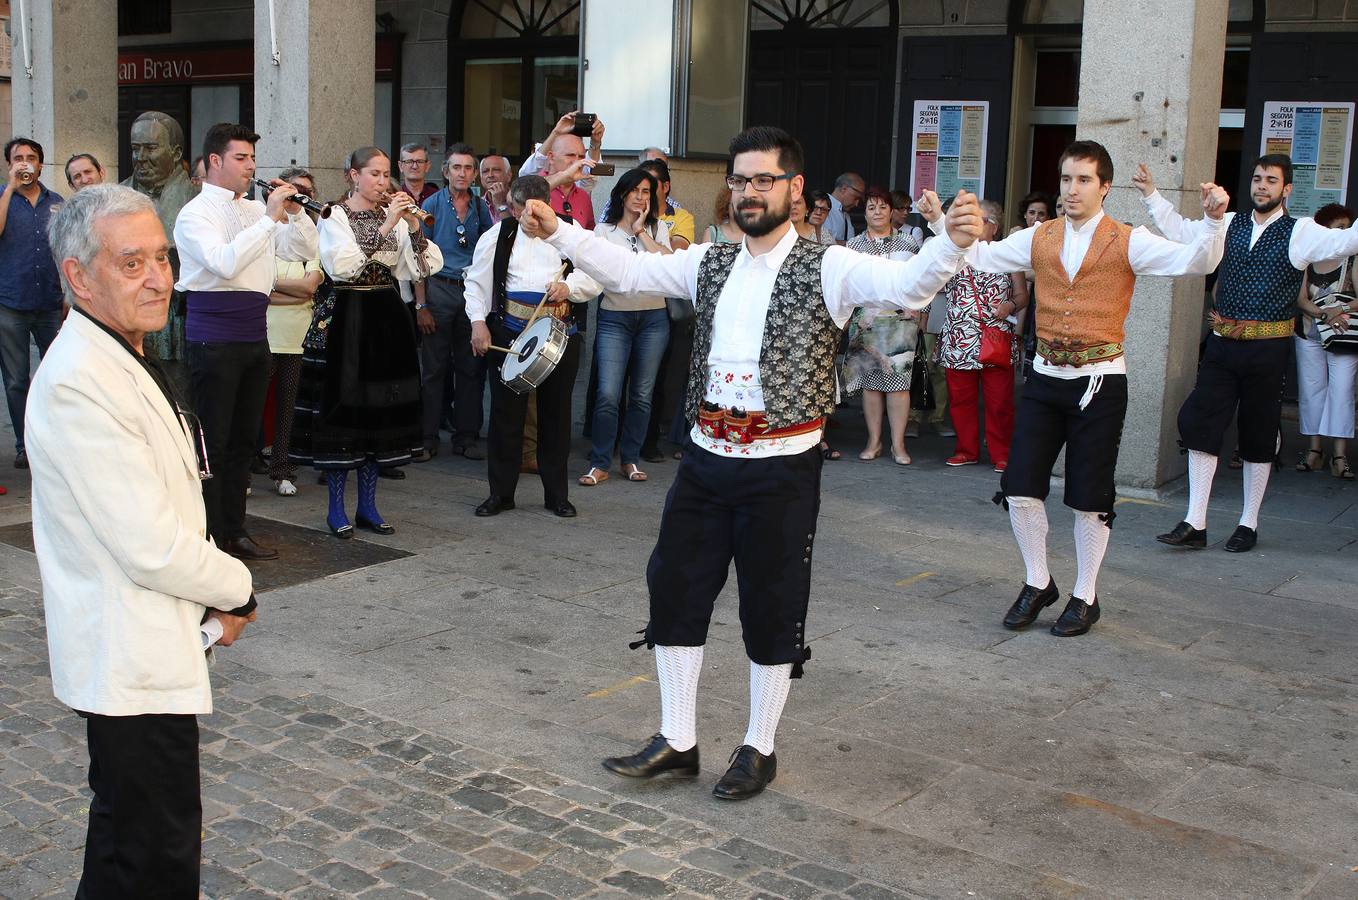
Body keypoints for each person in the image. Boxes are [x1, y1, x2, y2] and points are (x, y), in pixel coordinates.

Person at [520, 125, 982, 800]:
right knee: (674, 589)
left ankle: (759, 748)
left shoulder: (830, 264)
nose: (750, 192)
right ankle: (677, 739)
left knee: (772, 604)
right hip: (706, 457)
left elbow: (909, 286)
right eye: (740, 180)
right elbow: (628, 270)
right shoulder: (708, 260)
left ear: (794, 189)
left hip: (781, 468)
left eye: (765, 180)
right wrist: (558, 229)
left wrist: (951, 243)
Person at [28, 184, 258, 895]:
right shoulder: (78, 381)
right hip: (128, 661)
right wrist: (238, 588)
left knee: (127, 843)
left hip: (148, 647)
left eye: (161, 257)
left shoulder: (120, 351)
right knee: (153, 857)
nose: (159, 276)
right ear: (79, 276)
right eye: (132, 264)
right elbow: (150, 544)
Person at [923, 140, 1228, 637]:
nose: (1072, 189)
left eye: (1083, 180)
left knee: (1089, 496)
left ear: (1105, 187)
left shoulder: (1129, 239)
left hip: (1100, 380)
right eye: (1066, 179)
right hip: (1045, 377)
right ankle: (1037, 581)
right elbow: (980, 256)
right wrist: (942, 221)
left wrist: (1213, 221)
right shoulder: (1038, 235)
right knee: (1020, 485)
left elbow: (1197, 262)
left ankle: (1085, 595)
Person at [1138, 158, 1358, 552]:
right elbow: (1184, 232)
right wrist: (1152, 194)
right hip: (1224, 343)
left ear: (1286, 189)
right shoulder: (1229, 221)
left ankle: (1248, 523)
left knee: (1258, 432)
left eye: (1271, 181)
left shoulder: (1302, 231)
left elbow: (1347, 241)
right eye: (1257, 179)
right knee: (1200, 422)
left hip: (1268, 348)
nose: (1262, 186)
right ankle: (1195, 521)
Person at [174, 122, 319, 560]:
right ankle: (208, 534)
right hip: (214, 337)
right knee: (214, 441)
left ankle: (234, 530)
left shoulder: (257, 210)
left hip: (257, 336)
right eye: (241, 158)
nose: (250, 167)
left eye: (253, 159)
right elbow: (224, 263)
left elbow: (300, 250)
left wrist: (294, 213)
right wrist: (271, 217)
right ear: (215, 162)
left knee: (243, 441)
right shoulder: (195, 213)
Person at [289, 147, 440, 537]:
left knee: (382, 412)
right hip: (347, 315)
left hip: (386, 315)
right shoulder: (334, 215)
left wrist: (415, 229)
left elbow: (418, 268)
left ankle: (369, 506)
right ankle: (336, 509)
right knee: (345, 412)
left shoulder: (396, 217)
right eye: (374, 173)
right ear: (352, 176)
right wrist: (390, 224)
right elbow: (342, 266)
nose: (382, 181)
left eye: (386, 174)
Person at [466, 175, 601, 518]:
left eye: (532, 212)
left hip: (559, 332)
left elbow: (597, 274)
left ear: (546, 205)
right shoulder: (498, 234)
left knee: (556, 417)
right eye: (518, 210)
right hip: (510, 332)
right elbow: (477, 283)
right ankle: (501, 494)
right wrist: (478, 323)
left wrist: (569, 289)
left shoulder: (571, 233)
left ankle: (556, 495)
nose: (525, 219)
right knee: (505, 417)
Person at [581, 169, 672, 487]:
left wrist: (642, 232)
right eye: (634, 190)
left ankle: (630, 458)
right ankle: (600, 461)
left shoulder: (658, 228)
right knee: (608, 393)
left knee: (642, 395)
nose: (640, 196)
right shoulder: (603, 232)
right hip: (615, 318)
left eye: (646, 191)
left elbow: (669, 266)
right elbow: (597, 272)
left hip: (653, 319)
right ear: (621, 194)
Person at [936, 199, 1028, 471]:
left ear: (994, 227)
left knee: (999, 402)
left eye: (980, 220)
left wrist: (1010, 305)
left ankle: (1002, 453)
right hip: (958, 337)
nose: (973, 226)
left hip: (995, 339)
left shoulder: (1007, 255)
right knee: (960, 400)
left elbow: (1022, 295)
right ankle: (966, 449)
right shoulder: (954, 253)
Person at [417, 143, 493, 462]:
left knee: (471, 368)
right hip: (439, 289)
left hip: (472, 293)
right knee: (434, 369)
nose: (462, 173)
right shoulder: (431, 205)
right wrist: (422, 305)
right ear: (445, 171)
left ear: (474, 174)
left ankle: (466, 436)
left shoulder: (480, 207)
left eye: (468, 168)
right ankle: (428, 437)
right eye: (456, 168)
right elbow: (418, 256)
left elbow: (490, 250)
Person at [843, 186, 924, 465]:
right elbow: (847, 285)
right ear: (864, 212)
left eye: (882, 207)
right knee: (871, 385)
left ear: (892, 211)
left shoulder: (908, 243)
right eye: (870, 207)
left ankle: (898, 445)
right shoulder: (853, 246)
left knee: (899, 385)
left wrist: (920, 311)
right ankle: (874, 441)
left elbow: (919, 281)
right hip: (866, 323)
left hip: (901, 322)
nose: (876, 212)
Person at [0, 137, 64, 470]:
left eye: (31, 157)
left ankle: (53, 441)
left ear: (41, 164)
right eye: (18, 158)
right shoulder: (3, 197)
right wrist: (9, 188)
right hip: (10, 303)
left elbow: (67, 249)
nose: (25, 163)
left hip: (50, 303)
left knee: (57, 375)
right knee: (16, 380)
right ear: (10, 164)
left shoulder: (56, 201)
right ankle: (24, 444)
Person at [263, 167, 325, 497]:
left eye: (304, 191)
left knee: (289, 406)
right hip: (264, 333)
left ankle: (283, 470)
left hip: (297, 337)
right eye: (292, 189)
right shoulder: (265, 230)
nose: (297, 196)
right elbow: (258, 288)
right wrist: (292, 288)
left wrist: (275, 285)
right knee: (254, 405)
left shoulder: (311, 235)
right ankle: (243, 471)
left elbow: (311, 288)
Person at [1293, 203, 1358, 480]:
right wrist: (1324, 313)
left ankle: (1340, 455)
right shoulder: (1307, 258)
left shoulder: (1353, 257)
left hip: (1343, 334)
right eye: (1338, 228)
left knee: (1342, 391)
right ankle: (1315, 450)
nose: (1344, 233)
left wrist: (1338, 311)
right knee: (1311, 391)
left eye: (1347, 227)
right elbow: (1300, 299)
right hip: (1309, 333)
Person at [122, 111, 198, 242]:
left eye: (150, 148)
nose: (140, 157)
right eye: (135, 148)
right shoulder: (117, 196)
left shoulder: (196, 197)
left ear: (176, 154)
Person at [640, 159, 694, 250]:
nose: (645, 190)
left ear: (665, 187)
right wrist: (664, 241)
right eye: (638, 187)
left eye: (651, 185)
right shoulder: (631, 214)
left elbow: (675, 253)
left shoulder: (682, 217)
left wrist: (640, 234)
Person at [824, 171, 865, 244]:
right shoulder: (822, 207)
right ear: (844, 189)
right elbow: (822, 242)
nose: (857, 204)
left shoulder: (845, 213)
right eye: (856, 198)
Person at [479, 154, 513, 222]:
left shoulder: (519, 201)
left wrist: (500, 204)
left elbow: (512, 230)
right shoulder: (476, 205)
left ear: (509, 176)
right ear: (481, 178)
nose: (490, 175)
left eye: (496, 170)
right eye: (485, 171)